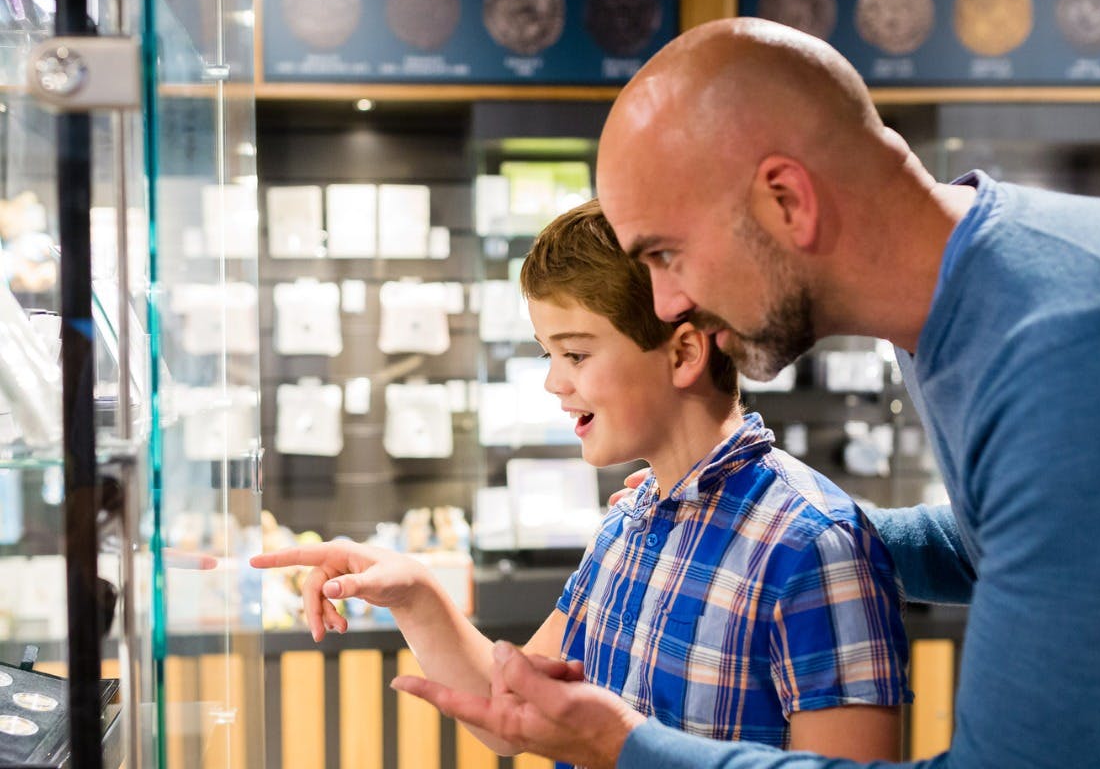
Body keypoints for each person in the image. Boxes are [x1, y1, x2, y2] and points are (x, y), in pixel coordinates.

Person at [392, 18, 1100, 768]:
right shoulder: (964, 310)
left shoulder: (1074, 342)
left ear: (786, 201)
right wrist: (768, 532)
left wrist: (626, 746)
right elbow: (1005, 540)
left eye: (666, 255)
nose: (670, 303)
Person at [252, 199, 911, 760]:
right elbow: (513, 713)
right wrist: (415, 593)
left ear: (684, 352)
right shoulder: (631, 520)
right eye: (549, 354)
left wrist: (621, 749)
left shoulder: (815, 547)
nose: (552, 381)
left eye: (575, 353)